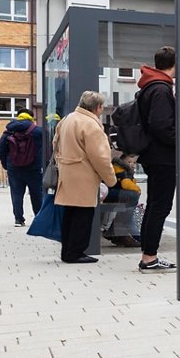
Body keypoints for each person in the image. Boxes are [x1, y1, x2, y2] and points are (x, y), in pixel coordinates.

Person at [53, 91, 117, 264]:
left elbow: (55, 144)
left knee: (70, 214)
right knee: (83, 215)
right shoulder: (91, 125)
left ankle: (67, 251)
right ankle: (75, 253)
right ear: (98, 107)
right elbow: (100, 157)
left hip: (67, 173)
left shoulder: (67, 119)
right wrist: (111, 179)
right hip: (84, 176)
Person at [136, 46, 177, 271]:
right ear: (174, 64)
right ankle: (149, 257)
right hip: (162, 157)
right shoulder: (161, 89)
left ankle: (148, 255)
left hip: (154, 155)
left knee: (154, 205)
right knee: (160, 206)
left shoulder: (150, 86)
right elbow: (160, 125)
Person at [0, 109, 44, 226]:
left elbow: (1, 149)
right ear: (32, 117)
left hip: (14, 168)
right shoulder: (38, 131)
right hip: (34, 168)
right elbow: (46, 150)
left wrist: (6, 165)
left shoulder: (8, 132)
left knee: (17, 194)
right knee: (36, 194)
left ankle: (19, 219)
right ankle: (38, 219)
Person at [100, 151, 142, 247]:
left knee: (128, 209)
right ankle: (121, 233)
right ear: (122, 161)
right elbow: (126, 184)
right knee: (133, 198)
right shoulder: (122, 170)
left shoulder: (119, 167)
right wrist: (138, 190)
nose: (132, 164)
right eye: (129, 162)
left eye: (134, 162)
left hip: (110, 192)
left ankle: (117, 232)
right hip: (111, 193)